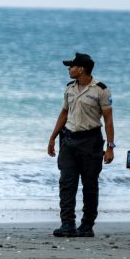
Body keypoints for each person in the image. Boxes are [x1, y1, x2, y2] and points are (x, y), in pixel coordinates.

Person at [47, 52, 115, 237]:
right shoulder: (69, 88)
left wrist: (110, 147)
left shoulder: (101, 90)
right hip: (68, 141)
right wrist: (52, 137)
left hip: (91, 142)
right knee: (66, 183)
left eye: (72, 66)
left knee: (89, 185)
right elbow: (64, 113)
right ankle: (67, 224)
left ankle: (87, 226)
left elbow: (108, 120)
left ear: (81, 69)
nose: (69, 69)